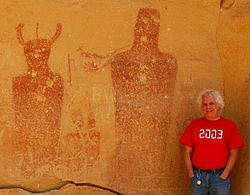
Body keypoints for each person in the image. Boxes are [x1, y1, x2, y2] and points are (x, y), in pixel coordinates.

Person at [180, 89, 244, 195]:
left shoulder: (229, 126)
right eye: (205, 104)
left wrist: (224, 175)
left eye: (211, 103)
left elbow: (234, 153)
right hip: (198, 176)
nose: (208, 107)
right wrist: (191, 174)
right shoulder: (194, 125)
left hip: (219, 177)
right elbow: (187, 152)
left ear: (218, 105)